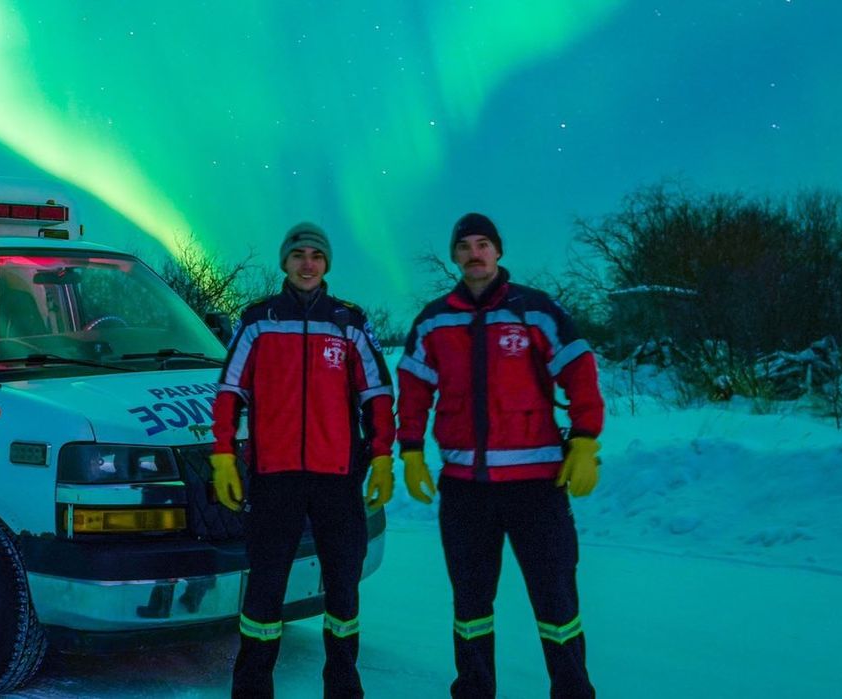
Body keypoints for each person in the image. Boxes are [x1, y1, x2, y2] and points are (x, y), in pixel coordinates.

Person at [396, 213, 604, 698]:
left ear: (498, 251)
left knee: (556, 602)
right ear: (454, 256)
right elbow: (412, 390)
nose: (475, 252)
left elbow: (578, 370)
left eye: (484, 243)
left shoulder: (535, 310)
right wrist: (408, 452)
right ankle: (474, 690)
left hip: (536, 486)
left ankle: (573, 691)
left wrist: (586, 440)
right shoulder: (434, 320)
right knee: (470, 605)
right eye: (465, 245)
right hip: (465, 488)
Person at [210, 221, 396, 699]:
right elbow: (229, 391)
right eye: (298, 255)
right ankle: (251, 689)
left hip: (337, 477)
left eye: (316, 255)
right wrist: (223, 456)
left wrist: (382, 457)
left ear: (327, 263)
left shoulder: (348, 321)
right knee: (266, 587)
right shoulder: (258, 320)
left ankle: (342, 686)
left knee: (342, 588)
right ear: (284, 263)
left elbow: (377, 392)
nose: (307, 263)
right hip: (275, 477)